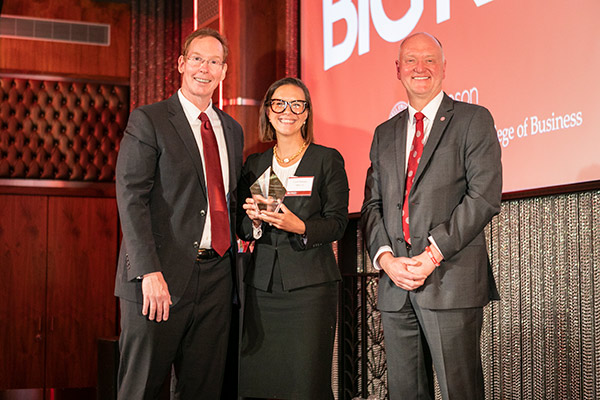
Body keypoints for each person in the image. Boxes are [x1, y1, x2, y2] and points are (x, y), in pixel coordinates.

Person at [361, 32, 502, 400]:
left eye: (429, 60)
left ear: (443, 68)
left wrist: (431, 255)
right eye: (410, 60)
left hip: (450, 280)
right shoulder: (384, 133)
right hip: (395, 286)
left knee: (461, 391)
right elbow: (373, 205)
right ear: (398, 70)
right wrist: (386, 259)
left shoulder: (473, 119)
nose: (419, 68)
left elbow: (484, 196)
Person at [114, 27, 244, 399]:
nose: (205, 68)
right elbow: (131, 197)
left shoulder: (232, 130)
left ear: (224, 72)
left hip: (217, 279)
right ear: (181, 64)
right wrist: (148, 271)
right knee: (142, 389)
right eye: (198, 59)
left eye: (214, 62)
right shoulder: (149, 120)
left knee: (201, 390)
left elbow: (227, 202)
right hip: (158, 278)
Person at [237, 77, 349, 399]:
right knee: (260, 383)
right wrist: (254, 222)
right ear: (269, 113)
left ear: (306, 113)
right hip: (262, 288)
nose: (288, 111)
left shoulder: (326, 159)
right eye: (279, 104)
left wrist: (299, 226)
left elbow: (338, 223)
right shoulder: (255, 164)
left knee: (305, 383)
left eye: (297, 104)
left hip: (310, 289)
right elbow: (240, 226)